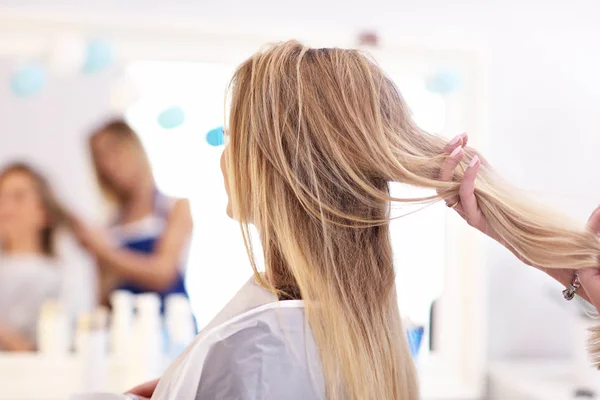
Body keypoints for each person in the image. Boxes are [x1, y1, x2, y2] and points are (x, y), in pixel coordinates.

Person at [127, 41, 600, 400]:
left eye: (232, 134)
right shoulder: (364, 334)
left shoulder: (260, 347)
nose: (225, 156)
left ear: (275, 169)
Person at [73, 120, 193, 308]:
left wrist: (103, 252)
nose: (108, 164)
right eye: (99, 157)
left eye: (114, 150)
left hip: (172, 327)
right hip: (124, 328)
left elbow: (163, 275)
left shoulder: (174, 208)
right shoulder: (109, 226)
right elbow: (103, 298)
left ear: (133, 147)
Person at [0, 163, 69, 351]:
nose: (6, 207)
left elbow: (44, 352)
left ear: (44, 213)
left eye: (18, 197)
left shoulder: (58, 277)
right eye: (1, 197)